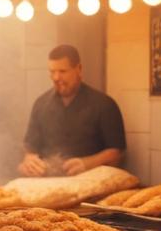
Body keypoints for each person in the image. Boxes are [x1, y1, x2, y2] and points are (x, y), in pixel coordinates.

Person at [19, 44, 126, 177]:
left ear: (79, 69)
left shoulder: (104, 105)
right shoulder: (41, 104)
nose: (56, 78)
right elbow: (31, 147)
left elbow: (117, 153)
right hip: (48, 183)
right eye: (52, 72)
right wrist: (29, 161)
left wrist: (87, 163)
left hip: (90, 182)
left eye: (62, 71)